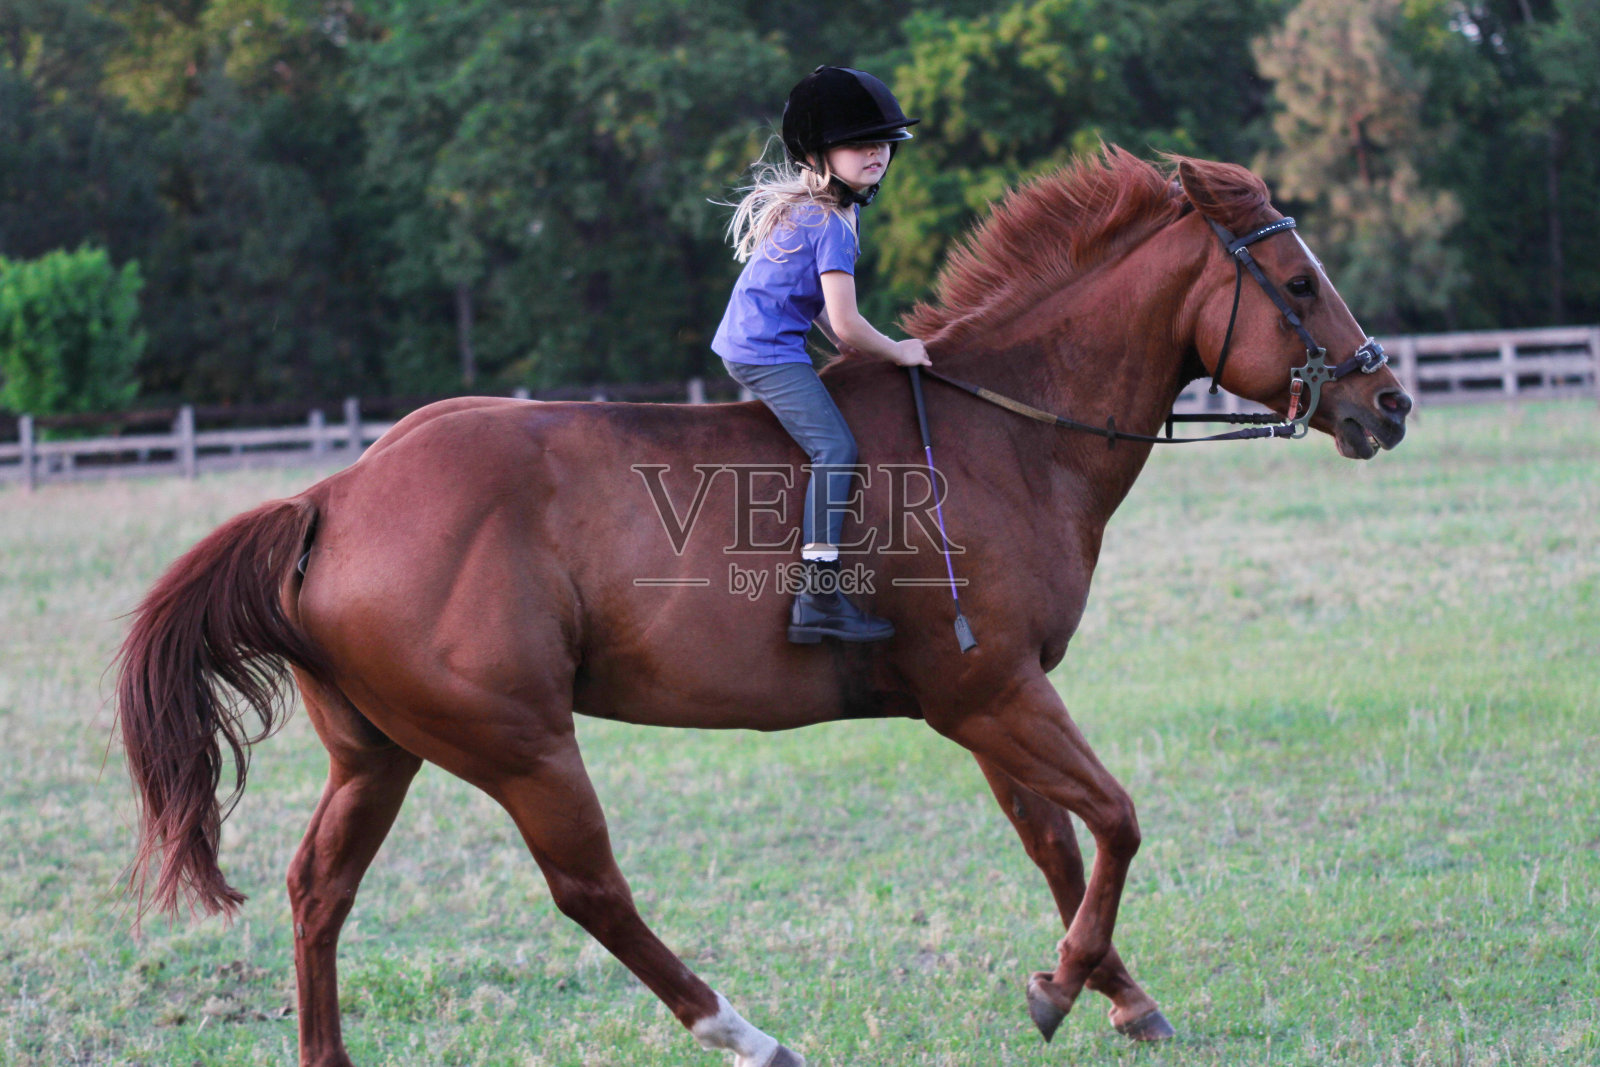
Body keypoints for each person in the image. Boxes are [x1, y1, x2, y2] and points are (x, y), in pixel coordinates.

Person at [713, 65, 930, 645]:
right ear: (818, 155)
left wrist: (847, 339)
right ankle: (819, 593)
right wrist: (900, 351)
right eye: (858, 145)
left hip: (756, 342)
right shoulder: (833, 220)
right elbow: (847, 324)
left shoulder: (819, 208)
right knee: (835, 447)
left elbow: (808, 301)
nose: (875, 154)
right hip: (764, 352)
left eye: (883, 143)